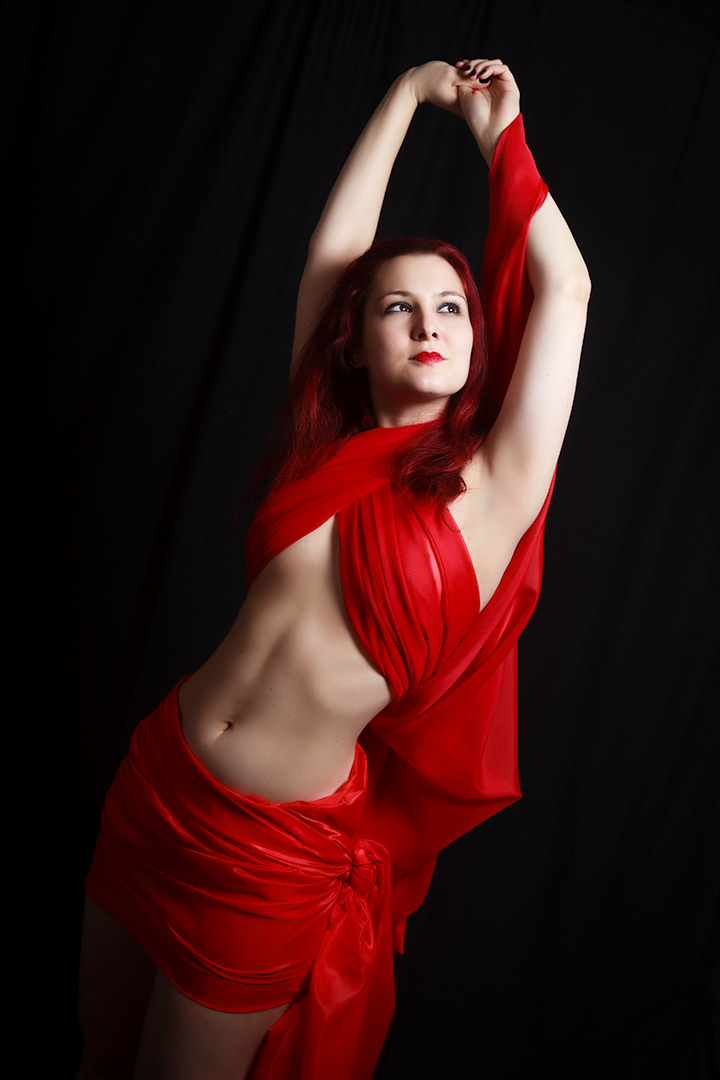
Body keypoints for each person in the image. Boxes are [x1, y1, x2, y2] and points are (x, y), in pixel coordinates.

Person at [78, 56, 590, 1080]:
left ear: (478, 342)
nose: (428, 324)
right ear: (353, 340)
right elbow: (334, 252)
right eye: (398, 307)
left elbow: (567, 288)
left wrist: (499, 136)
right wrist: (406, 95)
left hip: (266, 860)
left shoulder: (493, 491)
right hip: (158, 781)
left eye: (451, 308)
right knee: (96, 1055)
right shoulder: (321, 452)